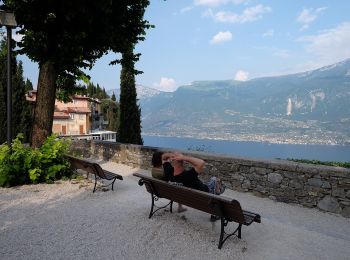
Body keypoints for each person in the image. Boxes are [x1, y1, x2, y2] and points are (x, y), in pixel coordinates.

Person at [161, 152, 225, 221]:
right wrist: (184, 157)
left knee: (208, 182)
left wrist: (170, 155)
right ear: (183, 162)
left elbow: (163, 157)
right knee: (215, 179)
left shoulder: (168, 173)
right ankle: (217, 197)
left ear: (171, 161)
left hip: (186, 197)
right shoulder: (188, 176)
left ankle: (217, 192)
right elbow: (201, 163)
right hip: (206, 193)